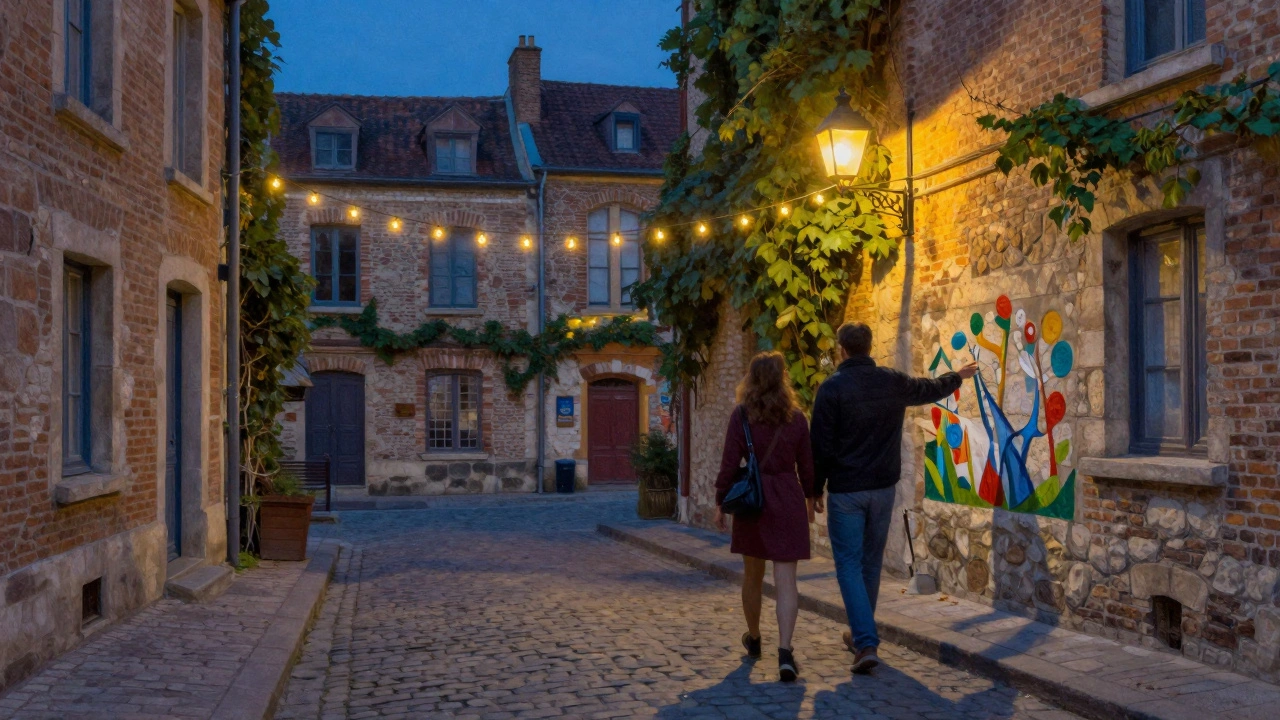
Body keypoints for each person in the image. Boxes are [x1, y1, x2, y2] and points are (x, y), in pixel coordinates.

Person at [810, 322, 977, 674]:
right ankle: (861, 637)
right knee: (870, 564)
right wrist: (957, 376)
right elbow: (928, 389)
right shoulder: (891, 381)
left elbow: (821, 447)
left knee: (849, 566)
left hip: (847, 493)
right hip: (883, 490)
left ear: (842, 349)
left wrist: (813, 489)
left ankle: (866, 641)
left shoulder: (831, 389)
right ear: (869, 347)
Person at [714, 351, 817, 682]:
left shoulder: (742, 416)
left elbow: (730, 464)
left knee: (752, 577)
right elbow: (807, 465)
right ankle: (785, 652)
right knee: (787, 581)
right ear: (783, 378)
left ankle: (755, 638)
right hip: (787, 498)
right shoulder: (797, 418)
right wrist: (812, 497)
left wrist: (720, 501)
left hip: (754, 503)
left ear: (752, 378)